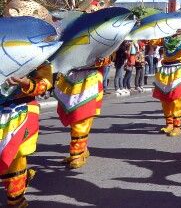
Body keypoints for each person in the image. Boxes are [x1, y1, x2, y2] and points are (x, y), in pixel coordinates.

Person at [0, 62, 52, 207]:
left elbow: (45, 83)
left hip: (20, 109)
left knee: (12, 154)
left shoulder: (37, 50)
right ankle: (20, 181)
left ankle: (16, 199)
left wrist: (26, 83)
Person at [54, 57, 110, 169]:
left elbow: (108, 53)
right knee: (73, 118)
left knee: (81, 117)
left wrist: (101, 59)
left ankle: (77, 154)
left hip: (89, 78)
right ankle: (82, 149)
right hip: (69, 78)